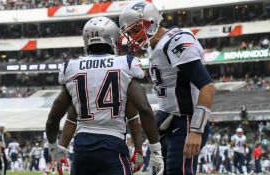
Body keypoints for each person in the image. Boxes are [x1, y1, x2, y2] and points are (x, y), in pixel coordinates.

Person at [45, 16, 164, 175]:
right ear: (112, 39)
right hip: (112, 147)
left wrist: (55, 148)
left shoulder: (72, 68)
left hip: (82, 150)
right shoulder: (125, 64)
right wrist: (154, 150)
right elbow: (143, 110)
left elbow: (55, 118)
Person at [119, 1, 216, 174]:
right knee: (155, 170)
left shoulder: (176, 40)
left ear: (151, 22)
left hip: (186, 120)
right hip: (166, 118)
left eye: (135, 30)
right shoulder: (155, 46)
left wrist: (196, 131)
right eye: (130, 33)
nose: (133, 37)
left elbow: (207, 86)